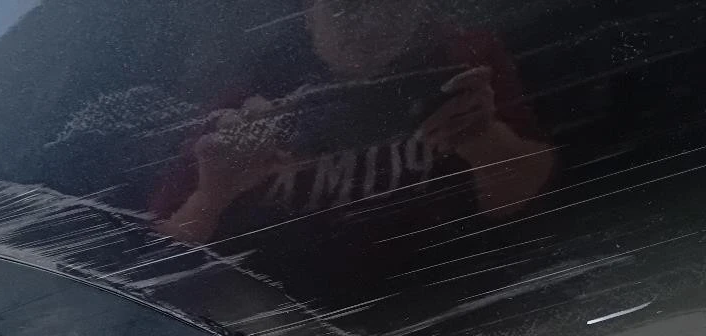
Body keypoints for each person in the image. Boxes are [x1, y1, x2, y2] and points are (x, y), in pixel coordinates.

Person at [152, 0, 554, 269]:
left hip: (447, 290)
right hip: (273, 317)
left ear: (420, 7)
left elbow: (535, 210)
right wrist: (215, 193)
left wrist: (484, 141)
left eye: (390, 4)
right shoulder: (252, 91)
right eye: (347, 6)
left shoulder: (464, 64)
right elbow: (158, 258)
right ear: (309, 11)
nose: (369, 24)